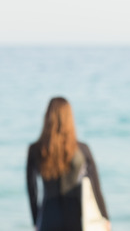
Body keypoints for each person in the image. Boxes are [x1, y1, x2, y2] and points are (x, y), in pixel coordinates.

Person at [26, 97, 110, 231]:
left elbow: (32, 189)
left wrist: (36, 219)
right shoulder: (82, 149)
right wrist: (105, 217)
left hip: (48, 216)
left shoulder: (35, 150)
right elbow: (95, 186)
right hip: (75, 217)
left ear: (48, 117)